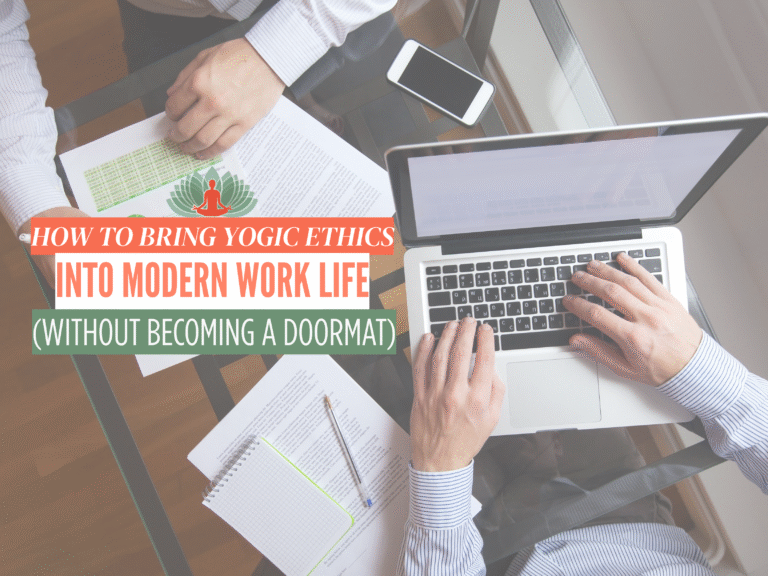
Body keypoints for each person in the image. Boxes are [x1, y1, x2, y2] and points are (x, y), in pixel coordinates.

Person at [398, 252, 768, 575]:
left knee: (405, 392)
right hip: (622, 515)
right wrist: (695, 368)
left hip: (494, 556)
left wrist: (440, 467)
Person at [0, 0, 394, 283]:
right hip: (166, 19)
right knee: (250, 277)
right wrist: (37, 203)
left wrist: (274, 52)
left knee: (399, 194)